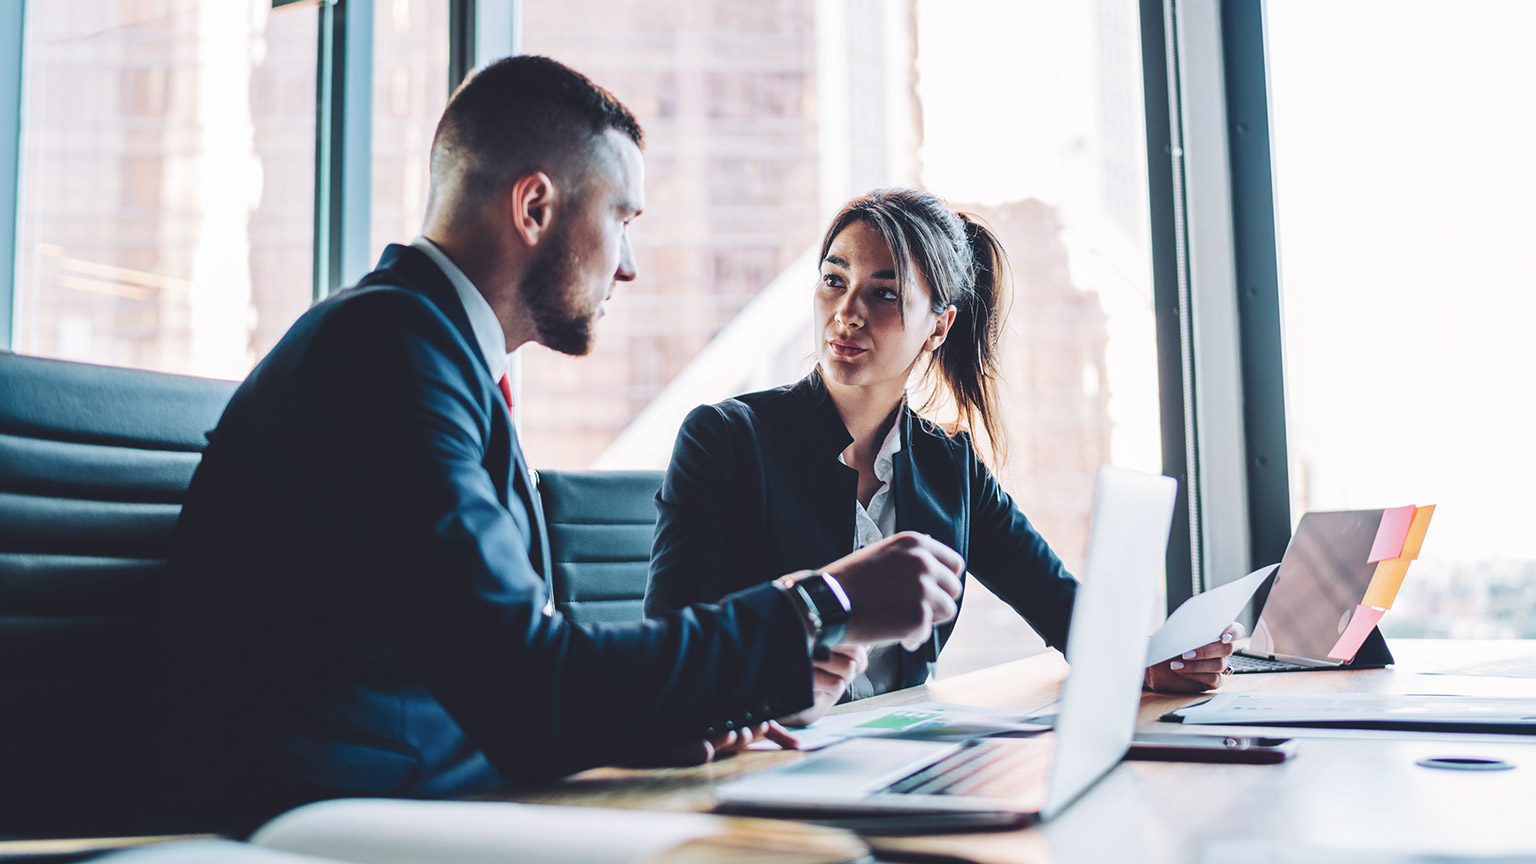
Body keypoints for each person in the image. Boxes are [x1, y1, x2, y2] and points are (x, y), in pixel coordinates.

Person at [144, 58, 965, 835]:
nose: (630, 265)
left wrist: (644, 727)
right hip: (335, 816)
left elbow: (501, 673)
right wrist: (826, 604)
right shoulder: (384, 356)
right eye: (623, 218)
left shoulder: (432, 354)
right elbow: (528, 683)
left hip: (432, 793)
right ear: (535, 208)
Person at [645, 188, 1240, 725]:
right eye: (834, 280)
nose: (847, 313)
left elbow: (1057, 603)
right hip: (757, 751)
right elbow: (665, 648)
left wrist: (1147, 660)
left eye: (884, 294)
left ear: (938, 327)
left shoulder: (948, 467)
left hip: (895, 744)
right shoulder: (726, 437)